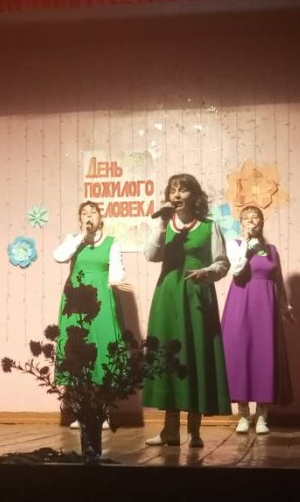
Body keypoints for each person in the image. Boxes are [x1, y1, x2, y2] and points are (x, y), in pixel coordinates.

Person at [142, 173, 231, 448]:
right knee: (169, 356)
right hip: (168, 297)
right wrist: (161, 224)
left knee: (195, 356)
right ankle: (169, 431)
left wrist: (207, 272)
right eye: (173, 190)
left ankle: (194, 431)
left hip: (196, 296)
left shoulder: (209, 227)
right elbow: (151, 255)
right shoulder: (164, 225)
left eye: (183, 190)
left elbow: (223, 263)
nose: (177, 195)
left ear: (195, 195)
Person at [53, 200, 126, 430]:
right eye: (84, 213)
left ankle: (104, 413)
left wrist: (115, 283)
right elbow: (59, 256)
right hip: (75, 301)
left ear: (100, 217)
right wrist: (81, 237)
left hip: (101, 300)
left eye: (92, 212)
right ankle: (81, 413)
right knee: (77, 351)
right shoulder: (73, 241)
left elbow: (117, 273)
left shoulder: (112, 242)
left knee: (103, 351)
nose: (88, 216)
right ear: (80, 219)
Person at [221, 205, 294, 435]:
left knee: (265, 358)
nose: (251, 221)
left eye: (255, 217)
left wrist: (285, 306)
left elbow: (278, 279)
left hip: (266, 308)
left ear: (262, 222)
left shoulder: (271, 250)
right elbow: (237, 270)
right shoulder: (235, 244)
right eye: (246, 218)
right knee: (240, 356)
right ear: (240, 223)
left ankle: (262, 416)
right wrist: (247, 245)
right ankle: (243, 415)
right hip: (240, 303)